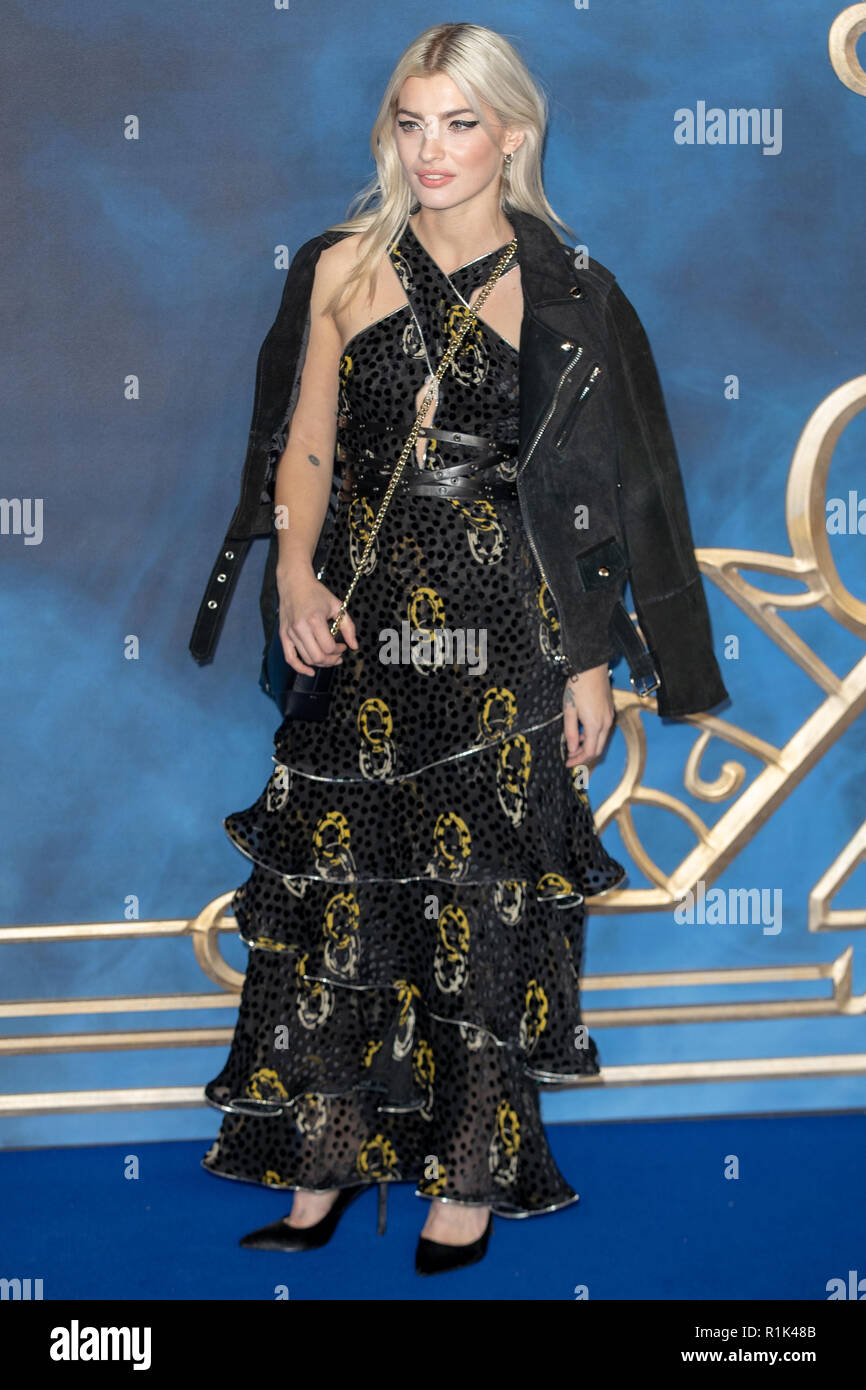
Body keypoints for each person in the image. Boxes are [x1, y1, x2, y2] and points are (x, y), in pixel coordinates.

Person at [192, 22, 729, 1277]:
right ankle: (321, 1155)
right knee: (337, 898)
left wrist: (592, 661)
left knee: (482, 909)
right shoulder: (337, 266)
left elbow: (605, 489)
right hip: (358, 631)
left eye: (458, 124)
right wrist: (289, 572)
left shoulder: (572, 292)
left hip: (503, 645)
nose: (429, 151)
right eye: (410, 122)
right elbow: (305, 448)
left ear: (512, 137)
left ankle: (468, 1178)